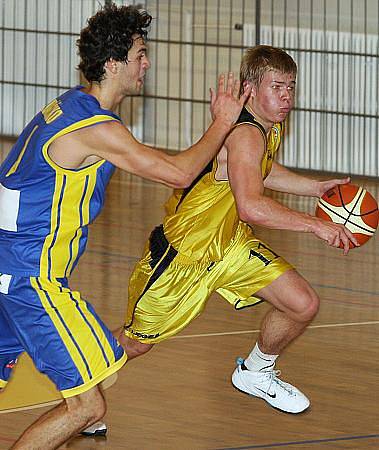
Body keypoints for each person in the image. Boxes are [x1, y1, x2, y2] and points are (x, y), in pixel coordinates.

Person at [0, 4, 250, 448]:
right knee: (88, 407)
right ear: (113, 64)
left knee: (89, 380)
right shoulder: (93, 127)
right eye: (140, 54)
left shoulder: (70, 106)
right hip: (29, 278)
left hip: (7, 267)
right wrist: (223, 122)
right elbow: (176, 173)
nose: (146, 63)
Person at [116, 45, 359, 415]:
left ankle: (257, 372)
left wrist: (313, 187)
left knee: (302, 303)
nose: (287, 96)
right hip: (184, 258)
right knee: (135, 345)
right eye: (277, 86)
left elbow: (258, 170)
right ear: (249, 88)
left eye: (291, 86)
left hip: (228, 245)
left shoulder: (266, 127)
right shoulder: (245, 133)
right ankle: (78, 388)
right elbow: (251, 205)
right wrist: (316, 226)